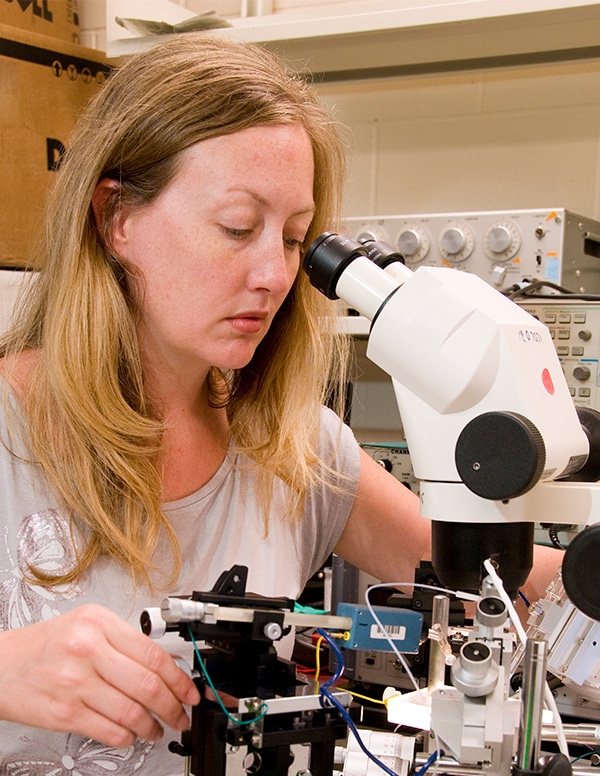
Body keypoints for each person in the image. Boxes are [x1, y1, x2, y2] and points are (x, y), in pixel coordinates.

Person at [0, 32, 558, 773]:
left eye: (295, 239)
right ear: (116, 219)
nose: (273, 272)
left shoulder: (294, 448)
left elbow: (490, 577)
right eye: (237, 228)